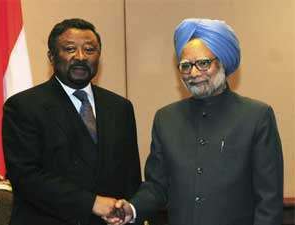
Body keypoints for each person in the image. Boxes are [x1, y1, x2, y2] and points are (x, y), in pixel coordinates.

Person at [107, 18, 284, 225]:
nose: (193, 73)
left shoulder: (257, 116)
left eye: (203, 63)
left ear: (223, 63)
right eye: (186, 65)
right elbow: (157, 186)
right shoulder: (166, 119)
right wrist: (133, 208)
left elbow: (269, 200)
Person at [2, 18, 141, 225]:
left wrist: (129, 212)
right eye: (69, 49)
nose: (80, 57)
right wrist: (90, 203)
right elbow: (26, 177)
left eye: (89, 50)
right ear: (51, 56)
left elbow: (130, 176)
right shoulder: (23, 106)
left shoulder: (120, 107)